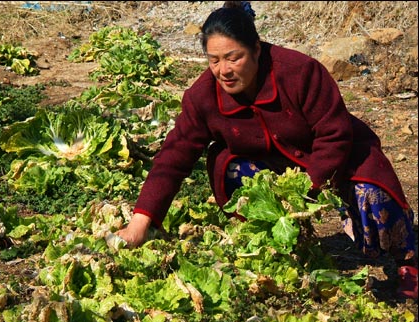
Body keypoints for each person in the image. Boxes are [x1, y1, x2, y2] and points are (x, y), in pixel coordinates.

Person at [116, 1, 418, 299]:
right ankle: (280, 248)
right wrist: (140, 223)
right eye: (214, 60)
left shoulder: (300, 72)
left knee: (371, 190)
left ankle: (407, 262)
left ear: (257, 50)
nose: (224, 71)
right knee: (231, 167)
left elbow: (334, 134)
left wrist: (307, 190)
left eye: (233, 58)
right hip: (268, 166)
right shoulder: (202, 97)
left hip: (335, 159)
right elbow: (174, 156)